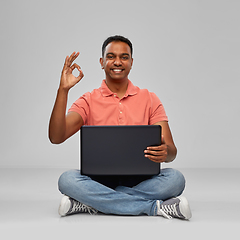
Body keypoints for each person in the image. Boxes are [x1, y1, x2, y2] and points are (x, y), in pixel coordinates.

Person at [48, 35, 192, 220]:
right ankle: (154, 208)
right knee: (67, 180)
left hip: (141, 180)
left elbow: (172, 151)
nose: (117, 62)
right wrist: (63, 90)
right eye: (111, 56)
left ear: (131, 62)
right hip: (98, 180)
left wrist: (166, 152)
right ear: (102, 62)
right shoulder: (88, 100)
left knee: (175, 179)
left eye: (124, 57)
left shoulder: (149, 98)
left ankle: (91, 203)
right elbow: (56, 137)